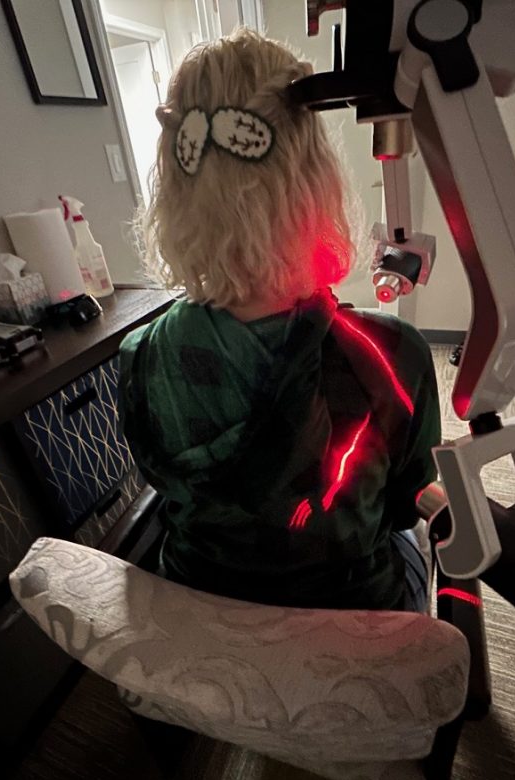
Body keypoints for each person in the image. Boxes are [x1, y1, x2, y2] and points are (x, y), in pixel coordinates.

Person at [118, 29, 441, 612]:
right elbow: (401, 505)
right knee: (417, 548)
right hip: (346, 612)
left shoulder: (139, 355)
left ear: (176, 181)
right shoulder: (395, 356)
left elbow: (161, 483)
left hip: (203, 600)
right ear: (314, 174)